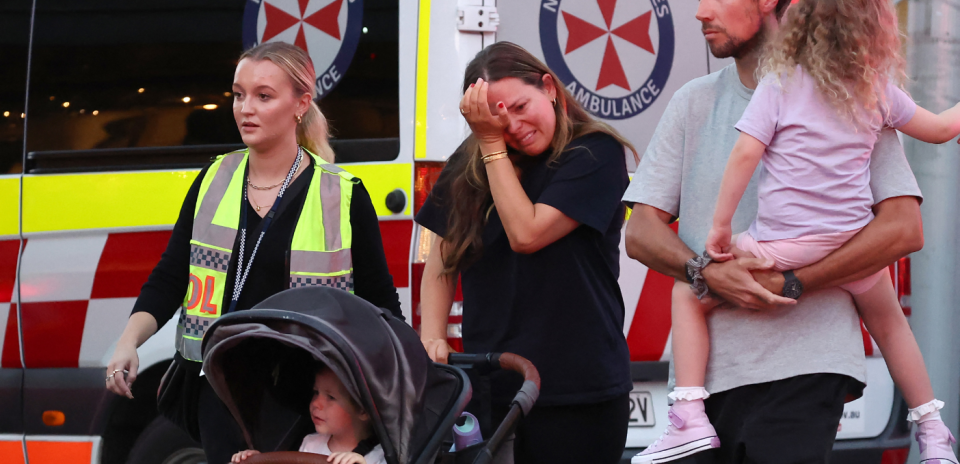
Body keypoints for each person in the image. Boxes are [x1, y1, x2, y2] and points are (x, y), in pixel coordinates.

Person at [641, 0, 960, 464]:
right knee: (892, 323)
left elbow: (903, 226)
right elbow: (941, 129)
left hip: (803, 350)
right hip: (846, 238)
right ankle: (933, 428)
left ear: (784, 6)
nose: (703, 9)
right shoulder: (874, 92)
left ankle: (685, 415)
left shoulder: (781, 85)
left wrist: (733, 243)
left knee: (688, 292)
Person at [105, 41, 403, 464]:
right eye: (239, 94)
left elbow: (379, 301)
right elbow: (172, 275)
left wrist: (408, 383)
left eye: (264, 96)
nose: (246, 108)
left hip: (306, 399)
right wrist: (128, 341)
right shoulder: (213, 178)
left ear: (301, 104)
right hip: (220, 390)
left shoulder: (342, 193)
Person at [415, 42, 637, 464]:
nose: (513, 126)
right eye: (496, 118)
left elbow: (527, 233)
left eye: (520, 106)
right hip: (494, 383)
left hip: (579, 389)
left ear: (549, 88)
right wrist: (432, 337)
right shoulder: (472, 161)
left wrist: (489, 142)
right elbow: (443, 260)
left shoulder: (595, 152)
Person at [231, 363, 386, 464]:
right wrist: (257, 459)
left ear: (363, 410)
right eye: (316, 392)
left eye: (330, 397)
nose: (315, 403)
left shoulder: (379, 457)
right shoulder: (310, 444)